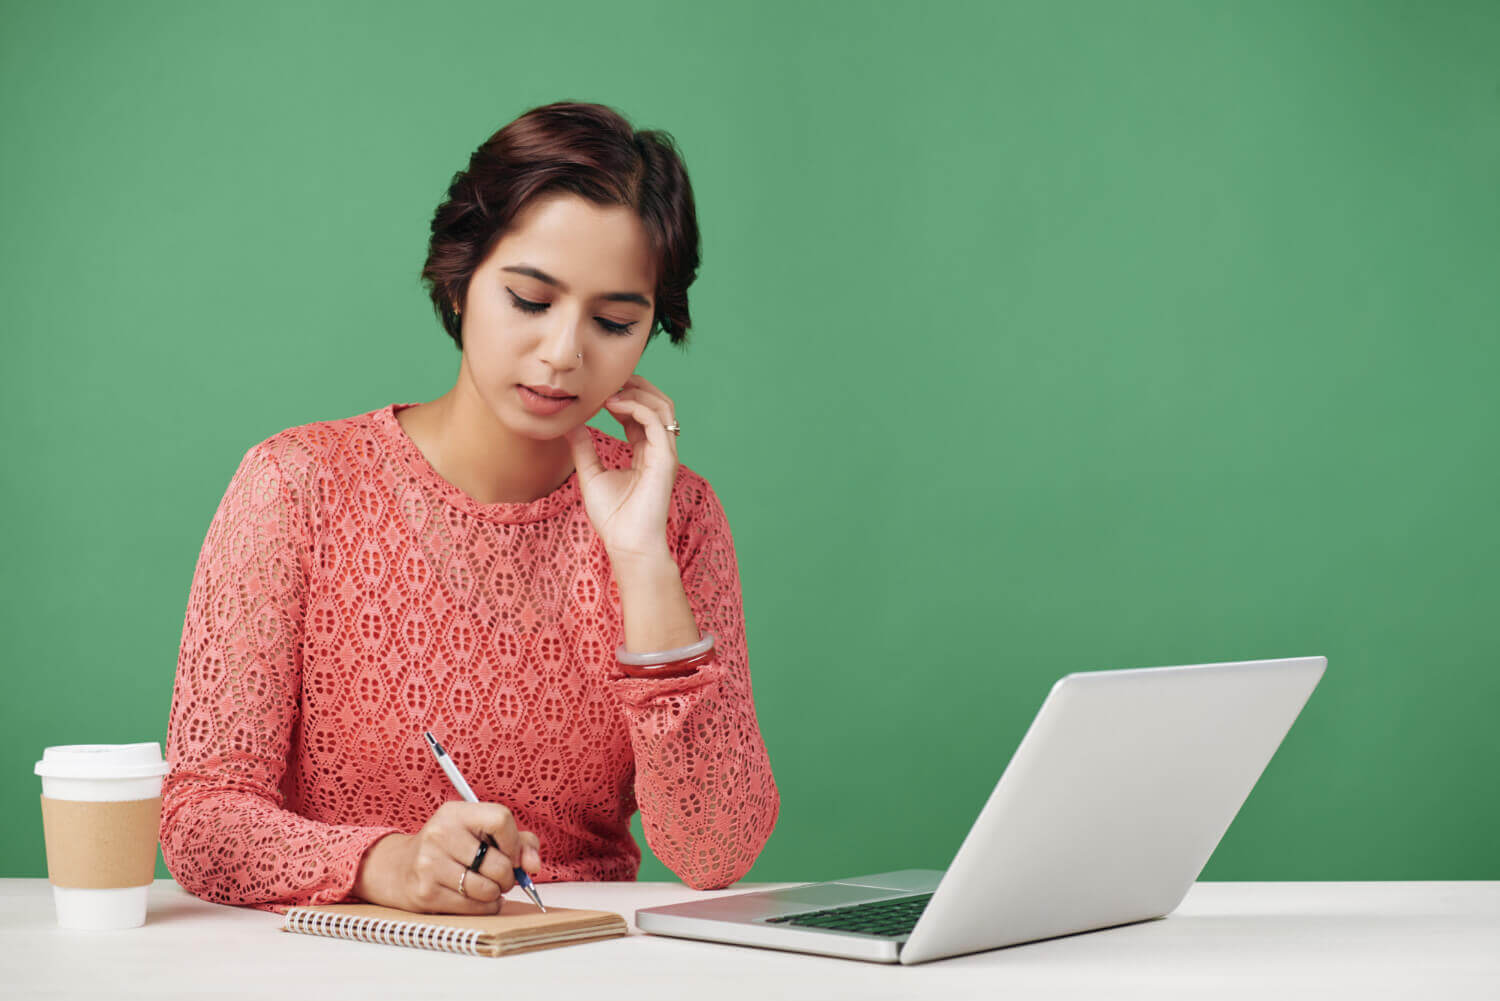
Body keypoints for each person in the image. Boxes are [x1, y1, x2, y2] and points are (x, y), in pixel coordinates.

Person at [159, 100, 780, 917]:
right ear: (459, 282)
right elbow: (200, 818)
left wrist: (642, 562)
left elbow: (716, 849)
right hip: (346, 963)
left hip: (579, 962)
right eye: (530, 300)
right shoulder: (298, 485)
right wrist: (394, 864)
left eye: (614, 320)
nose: (563, 354)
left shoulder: (677, 515)